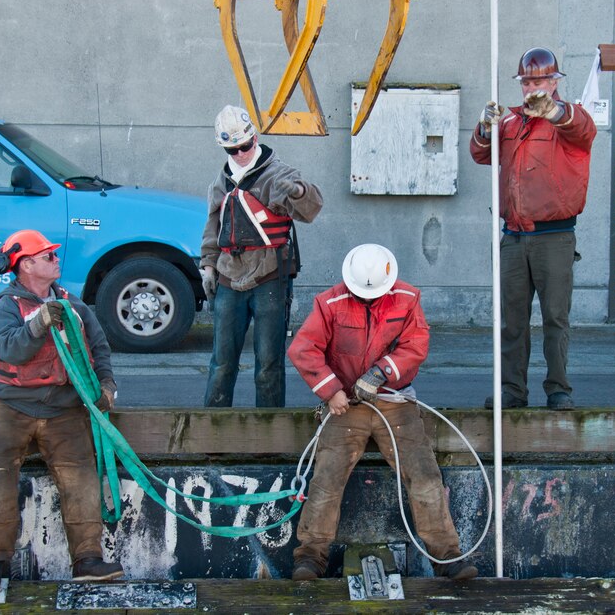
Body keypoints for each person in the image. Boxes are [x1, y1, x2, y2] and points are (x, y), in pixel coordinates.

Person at [287, 244, 478, 581]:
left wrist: (380, 373)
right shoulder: (329, 303)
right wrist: (331, 391)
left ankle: (448, 559)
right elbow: (304, 348)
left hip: (396, 403)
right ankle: (310, 559)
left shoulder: (407, 298)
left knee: (425, 477)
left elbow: (415, 345)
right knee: (326, 479)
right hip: (346, 406)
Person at [0, 230, 122, 592]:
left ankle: (87, 559)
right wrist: (39, 322)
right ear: (26, 265)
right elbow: (9, 350)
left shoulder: (75, 305)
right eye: (48, 256)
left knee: (81, 478)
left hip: (65, 408)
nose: (56, 261)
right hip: (12, 406)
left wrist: (107, 386)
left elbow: (99, 347)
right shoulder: (6, 307)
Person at [470, 47, 597, 410]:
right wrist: (483, 126)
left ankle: (559, 390)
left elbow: (582, 127)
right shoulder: (510, 122)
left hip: (553, 235)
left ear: (554, 82)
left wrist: (554, 112)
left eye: (539, 80)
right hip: (513, 234)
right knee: (513, 321)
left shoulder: (568, 119)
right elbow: (480, 154)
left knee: (555, 317)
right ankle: (513, 391)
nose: (531, 88)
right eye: (527, 81)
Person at [201, 104, 323, 407]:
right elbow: (213, 227)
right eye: (233, 149)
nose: (241, 153)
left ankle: (270, 435)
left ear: (255, 139)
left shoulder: (278, 174)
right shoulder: (221, 181)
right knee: (221, 362)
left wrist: (296, 191)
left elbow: (312, 207)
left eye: (245, 146)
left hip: (270, 278)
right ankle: (213, 432)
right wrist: (207, 266)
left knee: (269, 364)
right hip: (229, 277)